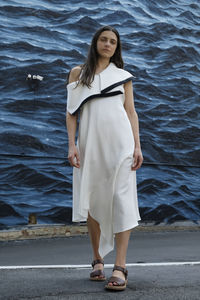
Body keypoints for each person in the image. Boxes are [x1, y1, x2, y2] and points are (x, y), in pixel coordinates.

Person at [66, 25, 143, 291]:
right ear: (95, 42)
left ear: (116, 47)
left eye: (112, 41)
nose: (108, 44)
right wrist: (72, 145)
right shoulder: (78, 74)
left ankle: (120, 265)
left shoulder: (123, 76)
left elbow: (131, 112)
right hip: (90, 146)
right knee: (93, 199)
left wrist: (137, 146)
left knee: (122, 198)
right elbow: (71, 113)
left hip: (121, 145)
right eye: (103, 39)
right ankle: (98, 258)